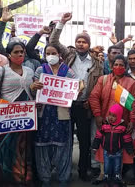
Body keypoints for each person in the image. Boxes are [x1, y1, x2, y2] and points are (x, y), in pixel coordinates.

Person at [49, 12, 103, 181]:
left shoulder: (97, 63)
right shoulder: (69, 55)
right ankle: (63, 170)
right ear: (75, 43)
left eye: (84, 41)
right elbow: (53, 42)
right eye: (78, 41)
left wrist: (91, 101)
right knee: (65, 139)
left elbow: (99, 84)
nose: (81, 44)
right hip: (66, 104)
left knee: (85, 141)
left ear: (89, 44)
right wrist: (62, 23)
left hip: (84, 106)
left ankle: (83, 170)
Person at [0, 41, 35, 186]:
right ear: (9, 55)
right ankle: (7, 182)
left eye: (22, 52)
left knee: (25, 151)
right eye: (16, 52)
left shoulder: (30, 71)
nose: (20, 54)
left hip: (25, 119)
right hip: (6, 120)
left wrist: (37, 98)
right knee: (7, 152)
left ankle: (25, 180)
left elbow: (32, 93)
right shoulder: (0, 71)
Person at [30, 44, 76, 187]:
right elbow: (32, 92)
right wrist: (33, 87)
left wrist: (77, 90)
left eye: (53, 53)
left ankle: (63, 178)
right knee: (42, 147)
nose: (51, 55)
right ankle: (45, 178)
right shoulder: (39, 70)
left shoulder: (68, 72)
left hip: (61, 114)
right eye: (48, 53)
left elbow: (74, 91)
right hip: (43, 115)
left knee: (63, 147)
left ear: (59, 54)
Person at [89, 55, 135, 183]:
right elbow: (94, 97)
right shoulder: (103, 80)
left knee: (120, 148)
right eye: (116, 64)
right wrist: (98, 115)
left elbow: (134, 104)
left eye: (121, 65)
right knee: (102, 146)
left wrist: (132, 121)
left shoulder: (131, 83)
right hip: (105, 120)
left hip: (122, 122)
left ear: (125, 67)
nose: (118, 67)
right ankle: (102, 174)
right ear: (111, 66)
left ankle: (117, 175)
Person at [92, 104, 134, 185]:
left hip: (118, 152)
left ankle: (117, 179)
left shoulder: (122, 128)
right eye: (110, 114)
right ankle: (106, 178)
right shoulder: (104, 126)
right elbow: (98, 136)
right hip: (106, 152)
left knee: (117, 167)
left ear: (118, 117)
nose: (111, 117)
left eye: (114, 116)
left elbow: (127, 140)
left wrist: (130, 151)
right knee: (106, 167)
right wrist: (95, 147)